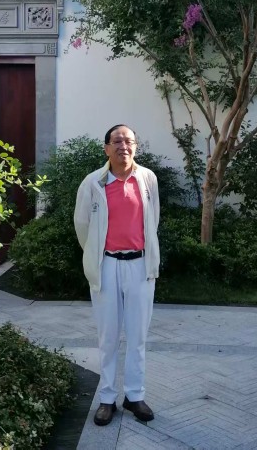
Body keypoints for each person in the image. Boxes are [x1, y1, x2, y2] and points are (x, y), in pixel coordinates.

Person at [74, 124, 160, 426]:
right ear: (107, 148)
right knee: (108, 336)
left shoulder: (147, 178)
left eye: (129, 141)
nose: (124, 146)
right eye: (117, 141)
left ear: (135, 146)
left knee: (137, 336)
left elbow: (153, 219)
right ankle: (107, 398)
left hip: (140, 266)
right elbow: (82, 225)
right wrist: (96, 254)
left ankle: (135, 395)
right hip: (107, 265)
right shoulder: (93, 182)